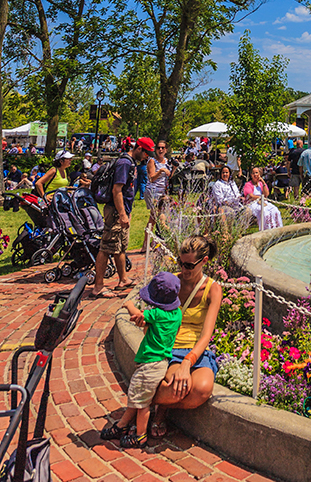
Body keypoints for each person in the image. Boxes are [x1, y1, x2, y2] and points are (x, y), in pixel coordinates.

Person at [151, 235, 223, 438]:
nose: (184, 270)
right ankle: (159, 411)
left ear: (204, 261)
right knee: (177, 386)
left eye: (190, 265)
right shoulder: (172, 282)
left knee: (201, 390)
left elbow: (206, 334)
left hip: (197, 349)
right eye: (181, 263)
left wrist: (187, 363)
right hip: (172, 346)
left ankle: (145, 400)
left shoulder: (213, 289)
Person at [101, 271, 183, 449]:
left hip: (149, 364)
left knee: (143, 405)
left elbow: (137, 315)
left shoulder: (156, 315)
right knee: (136, 397)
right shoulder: (177, 315)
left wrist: (128, 305)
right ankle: (122, 425)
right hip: (161, 361)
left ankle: (140, 435)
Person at [91, 137, 154, 298]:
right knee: (106, 247)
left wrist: (127, 211)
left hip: (122, 210)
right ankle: (98, 286)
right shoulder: (124, 164)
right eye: (146, 153)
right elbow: (117, 190)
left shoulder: (131, 163)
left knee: (120, 246)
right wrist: (122, 214)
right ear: (139, 148)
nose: (147, 157)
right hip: (115, 211)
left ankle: (123, 279)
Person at [242, 166, 283, 231]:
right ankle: (266, 230)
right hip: (253, 203)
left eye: (256, 173)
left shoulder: (261, 184)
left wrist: (263, 183)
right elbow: (250, 196)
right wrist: (260, 197)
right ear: (251, 175)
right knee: (264, 212)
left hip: (263, 201)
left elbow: (266, 194)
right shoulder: (248, 184)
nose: (255, 175)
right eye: (253, 173)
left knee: (275, 210)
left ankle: (277, 228)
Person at [145, 141, 173, 232]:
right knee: (154, 216)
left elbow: (169, 176)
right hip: (153, 190)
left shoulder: (166, 161)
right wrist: (160, 171)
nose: (160, 150)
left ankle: (155, 240)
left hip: (162, 190)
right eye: (158, 148)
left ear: (166, 150)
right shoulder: (152, 161)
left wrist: (174, 169)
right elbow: (151, 178)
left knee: (160, 215)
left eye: (162, 148)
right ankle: (147, 240)